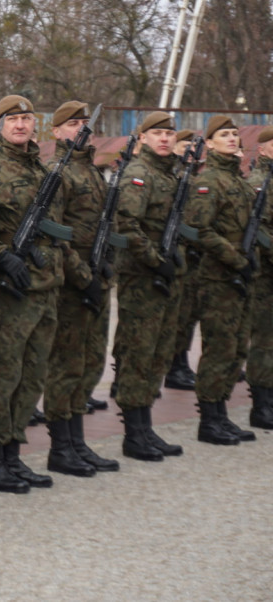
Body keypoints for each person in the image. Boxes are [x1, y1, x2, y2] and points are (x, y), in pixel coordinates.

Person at [0, 95, 77, 493]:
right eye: (11, 118)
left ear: (36, 125)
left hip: (43, 287)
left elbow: (56, 227)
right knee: (5, 376)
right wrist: (1, 255)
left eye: (26, 118)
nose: (20, 124)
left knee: (32, 377)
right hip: (5, 290)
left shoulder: (45, 170)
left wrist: (47, 257)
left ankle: (14, 455)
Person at [42, 101, 119, 477]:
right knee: (66, 366)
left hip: (95, 280)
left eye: (85, 123)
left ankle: (77, 441)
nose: (81, 129)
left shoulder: (92, 172)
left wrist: (105, 268)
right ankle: (60, 447)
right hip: (73, 285)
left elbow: (103, 227)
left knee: (89, 364)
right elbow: (55, 235)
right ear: (56, 131)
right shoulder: (56, 173)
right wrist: (83, 277)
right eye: (72, 124)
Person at [112, 111, 186, 462]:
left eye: (169, 134)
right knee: (138, 355)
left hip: (166, 275)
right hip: (143, 278)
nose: (164, 139)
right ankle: (133, 433)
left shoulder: (169, 175)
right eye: (156, 133)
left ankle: (145, 427)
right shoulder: (139, 174)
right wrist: (157, 261)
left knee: (158, 355)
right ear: (141, 138)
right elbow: (126, 225)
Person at [185, 115, 257, 446]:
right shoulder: (209, 181)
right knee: (219, 348)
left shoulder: (240, 182)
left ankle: (222, 414)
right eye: (223, 135)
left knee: (237, 347)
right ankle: (209, 420)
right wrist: (235, 259)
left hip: (242, 276)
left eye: (234, 134)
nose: (231, 138)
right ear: (210, 143)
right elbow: (199, 230)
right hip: (217, 277)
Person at [165, 128, 204, 391]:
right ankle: (174, 366)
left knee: (188, 316)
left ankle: (181, 364)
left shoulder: (191, 177)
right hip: (175, 255)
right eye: (184, 146)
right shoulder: (175, 176)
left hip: (192, 258)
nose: (189, 150)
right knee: (177, 317)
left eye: (193, 146)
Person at [245, 125, 273, 430]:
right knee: (264, 341)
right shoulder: (257, 182)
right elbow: (257, 229)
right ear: (262, 149)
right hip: (265, 274)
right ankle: (261, 405)